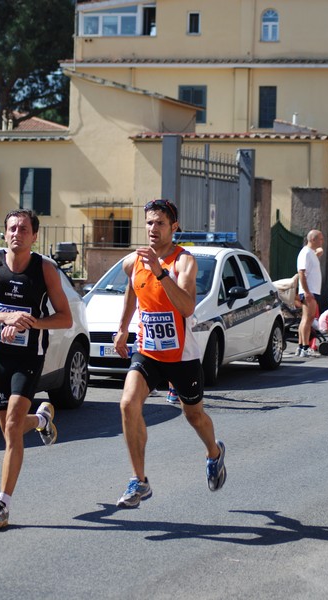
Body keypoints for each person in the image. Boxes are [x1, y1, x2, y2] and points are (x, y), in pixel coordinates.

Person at [113, 199, 226, 508]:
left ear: (174, 227)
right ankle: (140, 481)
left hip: (182, 357)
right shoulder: (134, 260)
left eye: (160, 223)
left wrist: (161, 272)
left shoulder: (184, 261)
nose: (153, 228)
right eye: (149, 222)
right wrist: (123, 328)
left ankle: (214, 453)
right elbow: (132, 291)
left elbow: (187, 307)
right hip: (148, 352)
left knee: (194, 416)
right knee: (127, 405)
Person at [0, 209, 73, 528]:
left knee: (12, 427)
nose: (17, 233)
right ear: (5, 233)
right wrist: (4, 317)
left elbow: (65, 317)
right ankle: (41, 418)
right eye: (12, 228)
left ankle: (2, 505)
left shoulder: (45, 269)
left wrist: (32, 322)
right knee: (9, 428)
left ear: (35, 236)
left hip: (29, 357)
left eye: (24, 229)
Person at [296, 229, 324, 357]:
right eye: (320, 239)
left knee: (306, 319)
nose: (322, 241)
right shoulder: (306, 253)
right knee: (308, 319)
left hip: (311, 290)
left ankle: (301, 346)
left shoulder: (310, 253)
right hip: (309, 291)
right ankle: (305, 347)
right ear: (313, 239)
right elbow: (301, 272)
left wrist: (317, 254)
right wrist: (307, 291)